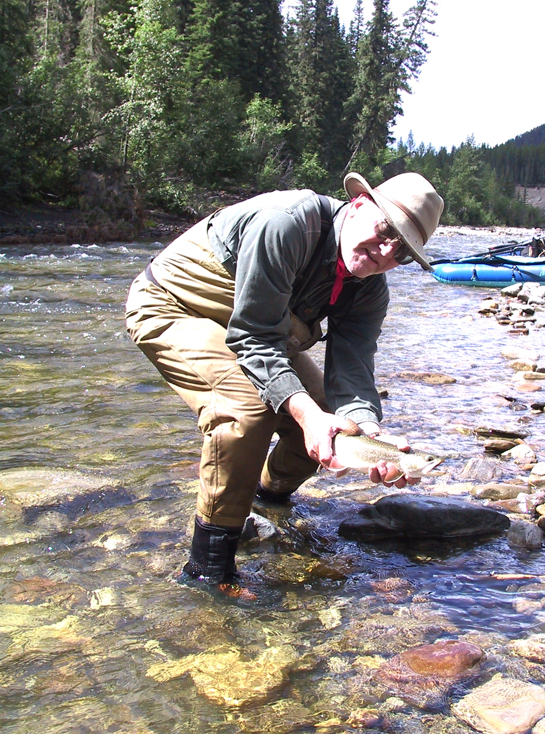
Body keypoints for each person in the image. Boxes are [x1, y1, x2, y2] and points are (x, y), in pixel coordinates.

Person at [125, 170, 444, 589]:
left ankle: (267, 500)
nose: (385, 252)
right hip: (175, 307)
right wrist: (305, 412)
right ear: (359, 203)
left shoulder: (369, 289)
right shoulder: (287, 222)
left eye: (401, 251)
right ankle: (209, 568)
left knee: (329, 422)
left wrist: (369, 436)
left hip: (262, 331)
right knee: (246, 410)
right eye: (386, 231)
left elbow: (352, 372)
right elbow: (253, 337)